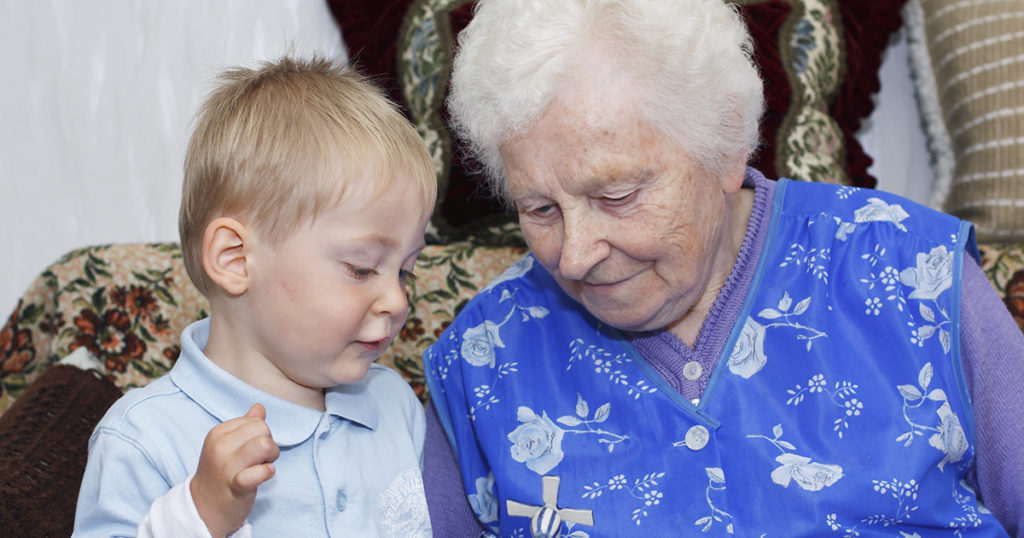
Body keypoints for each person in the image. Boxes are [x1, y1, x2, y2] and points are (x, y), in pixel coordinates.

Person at [421, 0, 1024, 536]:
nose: (574, 256)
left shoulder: (909, 275)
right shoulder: (481, 358)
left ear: (726, 144)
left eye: (617, 195)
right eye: (541, 208)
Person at [73, 55, 436, 537]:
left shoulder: (394, 406)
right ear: (235, 259)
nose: (396, 300)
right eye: (362, 267)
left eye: (406, 272)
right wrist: (198, 516)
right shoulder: (145, 438)